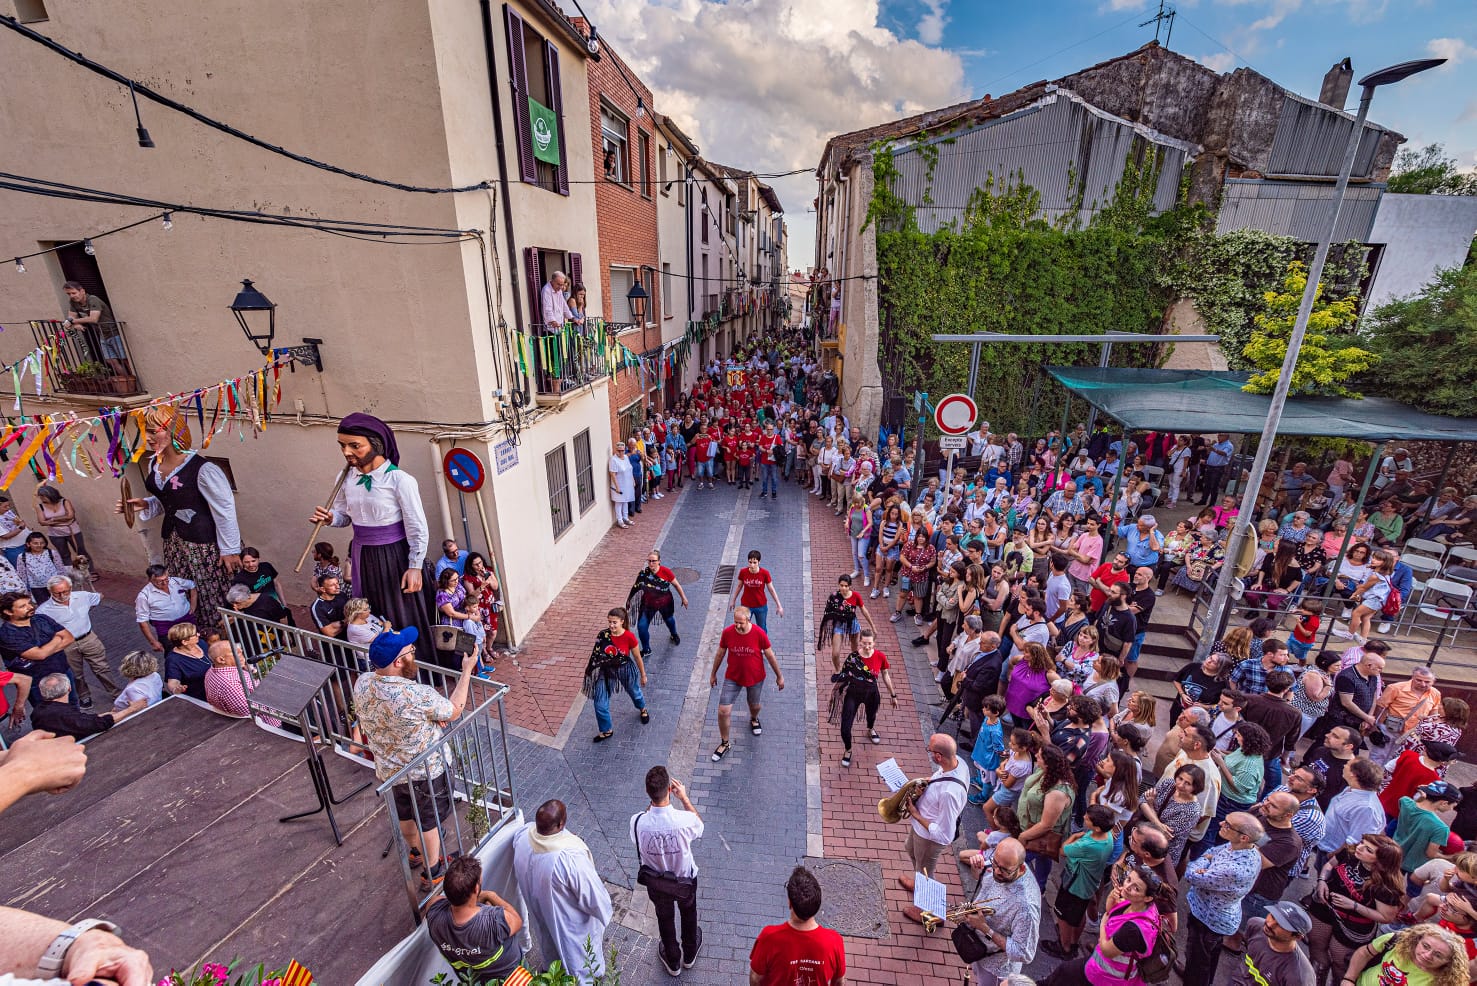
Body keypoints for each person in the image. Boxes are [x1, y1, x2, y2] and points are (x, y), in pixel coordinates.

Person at [352, 627, 479, 895]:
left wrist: (432, 716)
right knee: (429, 821)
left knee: (405, 814)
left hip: (390, 769)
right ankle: (433, 872)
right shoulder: (416, 695)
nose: (414, 654)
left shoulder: (363, 682)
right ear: (398, 662)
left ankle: (414, 852)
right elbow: (454, 710)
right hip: (425, 771)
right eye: (410, 652)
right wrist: (467, 670)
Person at [310, 414, 435, 662]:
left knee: (400, 611)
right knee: (371, 612)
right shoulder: (344, 478)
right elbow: (346, 516)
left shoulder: (400, 480)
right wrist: (331, 518)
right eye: (342, 446)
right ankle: (380, 665)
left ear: (376, 444)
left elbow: (417, 527)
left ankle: (411, 666)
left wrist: (415, 566)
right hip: (363, 555)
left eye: (354, 445)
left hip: (394, 555)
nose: (347, 452)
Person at [119, 405, 242, 632]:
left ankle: (223, 638)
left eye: (154, 431)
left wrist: (230, 550)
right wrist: (147, 504)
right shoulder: (155, 465)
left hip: (204, 545)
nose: (148, 437)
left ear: (173, 431)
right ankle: (196, 637)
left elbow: (224, 510)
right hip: (175, 544)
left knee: (210, 591)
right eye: (146, 431)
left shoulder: (203, 469)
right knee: (186, 590)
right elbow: (173, 500)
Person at [511, 801, 613, 986]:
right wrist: (603, 912)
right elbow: (594, 898)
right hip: (570, 923)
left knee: (549, 945)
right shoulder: (569, 859)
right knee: (576, 959)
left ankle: (552, 972)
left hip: (539, 913)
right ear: (560, 825)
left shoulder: (523, 838)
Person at [632, 764, 704, 976]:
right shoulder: (684, 820)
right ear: (670, 791)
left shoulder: (637, 822)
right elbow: (700, 826)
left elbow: (637, 835)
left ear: (648, 793)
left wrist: (651, 806)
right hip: (685, 881)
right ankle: (689, 954)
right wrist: (684, 798)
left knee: (664, 918)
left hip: (657, 883)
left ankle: (672, 960)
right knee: (689, 913)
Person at [1307, 833, 1405, 985]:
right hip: (1324, 907)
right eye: (1362, 843)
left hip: (1353, 926)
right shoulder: (1349, 853)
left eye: (1368, 850)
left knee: (1341, 965)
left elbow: (1386, 917)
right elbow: (1329, 865)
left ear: (1381, 861)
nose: (1359, 848)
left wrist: (1354, 906)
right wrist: (1321, 881)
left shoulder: (1386, 885)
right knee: (1316, 947)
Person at [1181, 812, 1266, 986]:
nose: (1221, 824)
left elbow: (1191, 875)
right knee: (1207, 959)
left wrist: (1203, 862)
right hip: (1215, 915)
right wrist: (1208, 860)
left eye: (1228, 825)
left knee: (1198, 961)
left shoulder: (1233, 869)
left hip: (1208, 919)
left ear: (1244, 837)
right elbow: (1213, 851)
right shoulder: (1244, 848)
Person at [425, 855, 525, 984]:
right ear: (476, 889)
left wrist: (472, 902)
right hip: (512, 979)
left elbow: (435, 901)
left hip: (473, 981)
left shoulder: (434, 914)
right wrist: (491, 895)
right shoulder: (493, 920)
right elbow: (517, 921)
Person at [958, 837, 1041, 984]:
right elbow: (987, 881)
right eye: (995, 863)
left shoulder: (1026, 907)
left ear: (1021, 869)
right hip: (980, 951)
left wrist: (985, 929)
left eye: (1003, 869)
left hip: (996, 969)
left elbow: (1024, 953)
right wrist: (976, 870)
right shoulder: (1004, 863)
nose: (996, 871)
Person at [898, 733, 971, 899]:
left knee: (925, 871)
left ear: (938, 756)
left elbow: (945, 834)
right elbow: (942, 776)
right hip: (920, 831)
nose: (929, 752)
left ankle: (928, 909)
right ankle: (919, 883)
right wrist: (929, 781)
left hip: (928, 838)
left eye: (929, 750)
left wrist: (916, 815)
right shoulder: (958, 763)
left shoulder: (948, 794)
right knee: (910, 850)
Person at [748, 865, 846, 986]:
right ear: (817, 904)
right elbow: (839, 982)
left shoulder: (769, 938)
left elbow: (755, 978)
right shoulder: (834, 941)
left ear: (790, 903)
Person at [709, 605, 784, 761]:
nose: (737, 625)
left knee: (754, 705)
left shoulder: (759, 634)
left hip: (755, 677)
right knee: (723, 710)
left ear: (748, 620)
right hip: (733, 677)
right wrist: (713, 673)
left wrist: (779, 676)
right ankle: (724, 742)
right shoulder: (727, 633)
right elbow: (720, 653)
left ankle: (754, 718)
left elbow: (770, 655)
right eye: (735, 622)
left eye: (741, 623)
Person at [36, 574, 119, 710]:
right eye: (57, 593)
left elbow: (99, 597)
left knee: (102, 668)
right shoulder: (43, 611)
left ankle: (116, 693)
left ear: (70, 588)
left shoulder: (82, 596)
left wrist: (84, 613)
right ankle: (84, 696)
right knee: (75, 674)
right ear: (50, 592)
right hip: (66, 645)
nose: (62, 595)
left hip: (88, 638)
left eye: (65, 591)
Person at [1044, 804, 1117, 959]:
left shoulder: (1087, 845)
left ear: (1097, 827)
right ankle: (1073, 941)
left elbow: (1063, 850)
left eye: (1088, 818)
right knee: (1078, 915)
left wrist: (1073, 837)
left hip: (1075, 885)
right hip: (1088, 885)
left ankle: (1064, 947)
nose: (1084, 817)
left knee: (1063, 915)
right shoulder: (1108, 836)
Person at [0, 589, 76, 713]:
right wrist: (56, 639)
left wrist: (45, 650)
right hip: (37, 683)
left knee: (73, 706)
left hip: (63, 672)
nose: (30, 607)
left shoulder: (41, 618)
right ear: (8, 612)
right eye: (22, 606)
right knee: (49, 716)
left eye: (29, 603)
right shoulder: (7, 633)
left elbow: (69, 637)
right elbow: (39, 655)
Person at [581, 608, 649, 743]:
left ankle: (642, 708)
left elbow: (637, 657)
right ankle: (606, 730)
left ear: (622, 622)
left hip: (625, 669)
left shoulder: (629, 636)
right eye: (609, 622)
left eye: (614, 622)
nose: (611, 625)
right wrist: (591, 670)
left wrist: (643, 674)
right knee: (599, 703)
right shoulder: (603, 635)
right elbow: (596, 654)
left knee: (634, 692)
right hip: (606, 672)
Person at [836, 627, 898, 767]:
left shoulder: (880, 656)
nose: (867, 646)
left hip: (871, 693)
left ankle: (870, 729)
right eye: (864, 643)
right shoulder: (853, 658)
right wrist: (837, 693)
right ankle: (848, 749)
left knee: (871, 715)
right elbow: (844, 675)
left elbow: (885, 675)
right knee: (845, 727)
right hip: (853, 694)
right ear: (860, 642)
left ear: (874, 643)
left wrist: (893, 695)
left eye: (869, 643)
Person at [1343, 924, 1470, 986]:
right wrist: (1349, 979)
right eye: (1425, 946)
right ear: (1418, 940)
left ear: (1448, 962)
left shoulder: (1445, 981)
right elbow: (1364, 953)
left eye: (1438, 955)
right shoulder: (1395, 941)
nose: (1427, 955)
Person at [30, 672, 147, 739]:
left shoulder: (38, 712)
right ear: (69, 689)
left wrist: (106, 714)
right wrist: (132, 709)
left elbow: (82, 721)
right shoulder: (65, 714)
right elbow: (98, 724)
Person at [1227, 902, 1316, 986]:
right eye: (1273, 916)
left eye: (1281, 925)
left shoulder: (1298, 977)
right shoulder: (1255, 925)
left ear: (1297, 937)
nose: (1270, 924)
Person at [1319, 758, 1387, 859]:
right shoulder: (1351, 788)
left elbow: (1356, 840)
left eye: (1347, 764)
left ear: (1353, 774)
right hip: (1325, 846)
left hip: (1333, 854)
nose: (1344, 766)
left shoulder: (1366, 808)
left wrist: (1333, 857)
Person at [1394, 782, 1463, 876]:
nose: (1451, 809)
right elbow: (1431, 854)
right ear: (1444, 803)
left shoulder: (1405, 802)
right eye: (1453, 806)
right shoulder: (1440, 827)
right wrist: (1450, 857)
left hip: (1394, 851)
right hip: (1412, 864)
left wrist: (1421, 797)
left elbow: (1412, 803)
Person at [630, 549, 689, 658]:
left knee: (669, 620)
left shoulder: (666, 572)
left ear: (659, 561)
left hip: (665, 603)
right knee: (641, 626)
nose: (651, 563)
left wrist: (683, 598)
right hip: (648, 605)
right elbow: (636, 586)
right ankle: (646, 649)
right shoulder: (644, 573)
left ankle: (674, 634)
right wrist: (630, 601)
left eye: (653, 561)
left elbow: (676, 585)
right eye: (649, 561)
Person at [133, 564, 195, 655]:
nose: (165, 583)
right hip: (167, 629)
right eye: (160, 581)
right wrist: (153, 642)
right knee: (174, 654)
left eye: (166, 579)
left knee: (195, 647)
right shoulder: (144, 596)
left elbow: (192, 586)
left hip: (187, 622)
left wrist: (193, 605)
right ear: (150, 580)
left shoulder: (175, 581)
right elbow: (142, 622)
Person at [33, 485, 86, 566]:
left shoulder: (64, 502)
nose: (42, 499)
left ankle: (88, 571)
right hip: (55, 534)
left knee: (81, 552)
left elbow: (70, 516)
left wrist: (53, 520)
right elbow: (42, 522)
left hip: (73, 531)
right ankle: (69, 572)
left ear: (51, 494)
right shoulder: (39, 506)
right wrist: (64, 519)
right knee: (64, 554)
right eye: (40, 497)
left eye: (43, 496)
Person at [733, 549, 784, 633]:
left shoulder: (765, 573)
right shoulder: (743, 572)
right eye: (750, 562)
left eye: (754, 562)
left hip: (760, 605)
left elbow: (771, 589)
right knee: (744, 626)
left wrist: (779, 605)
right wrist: (733, 600)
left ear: (759, 562)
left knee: (762, 628)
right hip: (746, 605)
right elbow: (739, 586)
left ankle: (763, 645)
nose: (752, 565)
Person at [162, 623, 209, 699]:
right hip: (200, 698)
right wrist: (176, 688)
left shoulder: (201, 643)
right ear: (184, 642)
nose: (199, 634)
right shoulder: (173, 660)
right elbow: (173, 682)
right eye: (195, 634)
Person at [311, 573, 349, 638]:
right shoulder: (317, 607)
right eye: (332, 585)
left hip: (349, 638)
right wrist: (347, 621)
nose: (338, 587)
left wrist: (337, 624)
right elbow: (330, 632)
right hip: (333, 645)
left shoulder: (342, 595)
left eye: (337, 583)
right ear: (323, 589)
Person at [609, 439, 636, 528]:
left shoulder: (626, 457)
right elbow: (612, 474)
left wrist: (633, 480)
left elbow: (629, 469)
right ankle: (620, 520)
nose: (621, 452)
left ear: (625, 450)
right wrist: (617, 487)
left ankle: (625, 517)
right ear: (616, 450)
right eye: (619, 450)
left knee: (626, 501)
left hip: (627, 483)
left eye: (622, 450)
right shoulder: (613, 460)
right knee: (619, 502)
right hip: (619, 485)